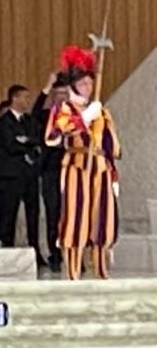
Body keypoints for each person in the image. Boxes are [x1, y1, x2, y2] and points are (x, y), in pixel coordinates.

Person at [44, 45, 121, 280]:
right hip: (77, 166)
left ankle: (101, 269)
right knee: (77, 216)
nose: (88, 88)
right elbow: (53, 136)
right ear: (74, 86)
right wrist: (83, 119)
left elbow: (110, 144)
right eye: (83, 84)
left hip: (100, 168)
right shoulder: (64, 108)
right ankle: (73, 271)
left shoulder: (101, 111)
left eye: (90, 83)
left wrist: (113, 172)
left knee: (101, 218)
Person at [0, 85, 42, 257]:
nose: (27, 101)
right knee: (9, 213)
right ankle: (8, 249)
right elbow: (10, 144)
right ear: (15, 98)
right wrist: (27, 144)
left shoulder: (29, 120)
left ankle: (35, 249)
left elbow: (38, 139)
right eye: (24, 98)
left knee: (33, 212)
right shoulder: (5, 121)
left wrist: (26, 141)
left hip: (30, 174)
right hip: (12, 176)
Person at [33, 74, 69, 272]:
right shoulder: (46, 115)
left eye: (66, 93)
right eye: (59, 93)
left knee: (72, 214)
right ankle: (55, 255)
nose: (62, 97)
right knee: (53, 213)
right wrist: (46, 87)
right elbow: (34, 112)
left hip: (72, 171)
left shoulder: (75, 117)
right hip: (50, 171)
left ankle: (73, 254)